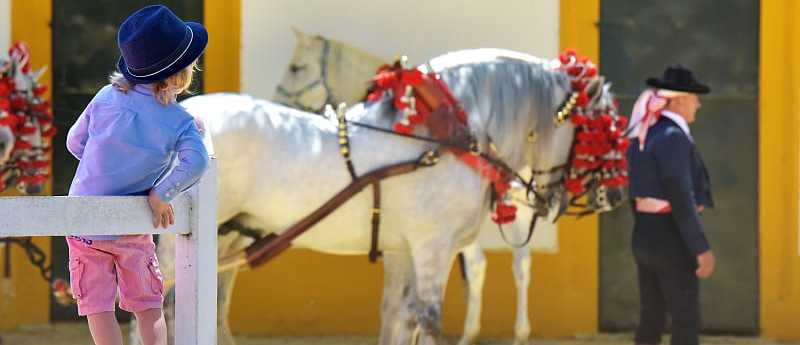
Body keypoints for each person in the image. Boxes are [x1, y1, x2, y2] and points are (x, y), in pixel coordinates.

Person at [65, 5, 209, 345]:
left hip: (83, 222)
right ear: (181, 74)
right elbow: (198, 161)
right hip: (133, 225)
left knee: (97, 306)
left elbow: (75, 141)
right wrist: (161, 193)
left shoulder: (104, 96)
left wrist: (101, 166)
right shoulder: (180, 122)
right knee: (147, 304)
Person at [626, 65, 716, 345]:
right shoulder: (672, 137)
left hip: (645, 234)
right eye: (694, 98)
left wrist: (645, 229)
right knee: (685, 318)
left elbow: (633, 191)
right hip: (670, 236)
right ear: (678, 100)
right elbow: (680, 196)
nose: (698, 105)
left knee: (652, 316)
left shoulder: (644, 134)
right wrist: (700, 248)